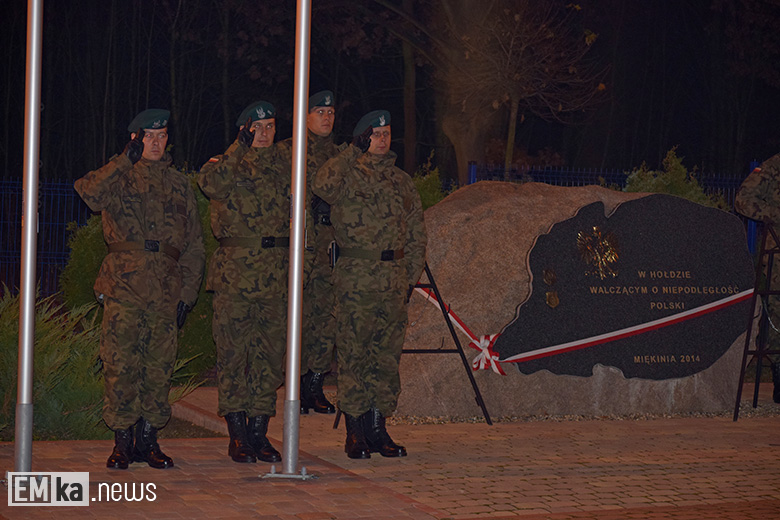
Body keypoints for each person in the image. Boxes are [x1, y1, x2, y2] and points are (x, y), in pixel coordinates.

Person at [74, 108, 205, 470]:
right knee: (120, 365)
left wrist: (188, 294)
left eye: (162, 136)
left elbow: (194, 245)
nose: (156, 143)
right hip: (124, 287)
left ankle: (148, 440)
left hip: (166, 290)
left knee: (159, 367)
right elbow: (88, 193)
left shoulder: (179, 185)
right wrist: (123, 161)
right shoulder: (118, 176)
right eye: (148, 136)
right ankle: (122, 441)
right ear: (135, 139)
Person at [312, 110, 427, 459]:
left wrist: (408, 278)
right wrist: (351, 151)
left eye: (387, 133)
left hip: (392, 281)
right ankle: (355, 432)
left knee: (386, 358)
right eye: (375, 134)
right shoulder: (346, 175)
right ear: (362, 138)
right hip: (356, 282)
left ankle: (378, 428)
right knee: (354, 355)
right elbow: (320, 184)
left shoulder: (401, 181)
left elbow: (417, 234)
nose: (382, 139)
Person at [198, 100, 305, 463]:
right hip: (236, 277)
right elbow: (211, 186)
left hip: (275, 276)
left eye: (270, 126)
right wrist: (238, 148)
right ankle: (237, 434)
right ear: (243, 129)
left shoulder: (288, 166)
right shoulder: (223, 163)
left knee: (270, 357)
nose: (264, 133)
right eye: (256, 128)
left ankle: (259, 431)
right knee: (233, 355)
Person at [280, 89, 346, 414]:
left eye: (330, 112)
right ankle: (294, 382)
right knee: (297, 317)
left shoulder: (340, 155)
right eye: (320, 112)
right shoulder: (288, 152)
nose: (327, 117)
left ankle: (315, 384)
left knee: (326, 318)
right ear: (305, 117)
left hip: (328, 248)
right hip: (299, 248)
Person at [735, 157, 780, 403]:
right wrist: (776, 214)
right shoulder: (773, 168)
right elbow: (743, 201)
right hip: (779, 257)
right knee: (778, 315)